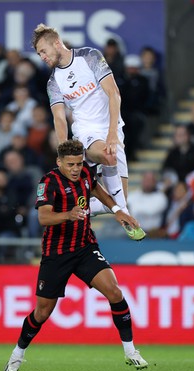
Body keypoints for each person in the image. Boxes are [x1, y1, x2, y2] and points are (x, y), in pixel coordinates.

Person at [3, 140, 148, 371]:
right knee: (42, 313)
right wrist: (68, 215)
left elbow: (97, 189)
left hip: (84, 247)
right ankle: (17, 356)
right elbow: (43, 218)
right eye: (70, 164)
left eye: (79, 163)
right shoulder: (48, 182)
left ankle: (130, 351)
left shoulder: (86, 174)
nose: (75, 169)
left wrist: (118, 210)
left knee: (114, 292)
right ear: (59, 162)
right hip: (56, 253)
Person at [31, 23, 146, 241]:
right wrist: (64, 152)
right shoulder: (53, 82)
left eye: (43, 51)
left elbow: (114, 93)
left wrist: (112, 133)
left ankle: (77, 210)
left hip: (113, 129)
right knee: (108, 155)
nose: (42, 57)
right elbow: (59, 117)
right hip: (86, 132)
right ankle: (124, 215)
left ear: (57, 43)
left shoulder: (90, 56)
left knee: (119, 199)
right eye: (39, 54)